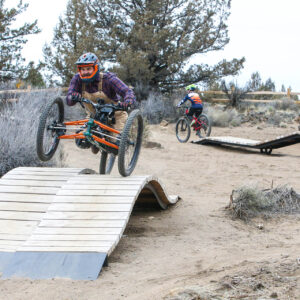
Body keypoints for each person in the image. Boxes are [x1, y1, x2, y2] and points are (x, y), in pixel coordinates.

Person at [66, 52, 136, 154]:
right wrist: (73, 97)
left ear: (96, 68)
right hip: (93, 117)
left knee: (116, 148)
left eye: (88, 69)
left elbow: (127, 91)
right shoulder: (77, 79)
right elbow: (69, 100)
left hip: (116, 117)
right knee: (81, 141)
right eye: (83, 69)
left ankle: (106, 142)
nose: (85, 72)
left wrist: (128, 101)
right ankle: (96, 141)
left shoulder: (108, 79)